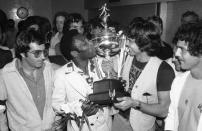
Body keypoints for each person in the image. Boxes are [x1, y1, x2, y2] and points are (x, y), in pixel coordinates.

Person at [113, 19, 175, 131]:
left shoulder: (164, 70)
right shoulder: (127, 57)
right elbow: (122, 84)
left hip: (142, 126)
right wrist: (111, 73)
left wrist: (135, 103)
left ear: (144, 44)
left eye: (131, 41)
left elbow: (164, 110)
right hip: (119, 120)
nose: (126, 44)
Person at [52, 30, 112, 131]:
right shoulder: (61, 74)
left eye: (88, 40)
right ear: (75, 53)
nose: (91, 43)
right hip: (80, 127)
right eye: (85, 44)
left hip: (105, 125)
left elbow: (113, 93)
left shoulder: (102, 64)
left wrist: (110, 74)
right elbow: (57, 105)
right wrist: (79, 110)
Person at [0, 30, 55, 131]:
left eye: (44, 52)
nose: (43, 57)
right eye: (37, 53)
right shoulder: (6, 75)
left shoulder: (48, 69)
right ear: (22, 54)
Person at [164, 22, 202, 131]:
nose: (177, 54)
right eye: (177, 48)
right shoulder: (178, 81)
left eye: (182, 49)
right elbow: (172, 116)